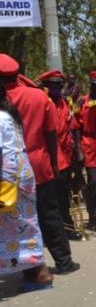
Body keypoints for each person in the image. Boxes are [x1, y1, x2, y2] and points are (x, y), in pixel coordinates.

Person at [0, 54, 79, 275]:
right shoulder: (38, 96)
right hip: (39, 164)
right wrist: (54, 162)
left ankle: (29, 267)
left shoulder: (5, 100)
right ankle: (64, 261)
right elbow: (51, 133)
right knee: (50, 214)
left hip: (9, 171)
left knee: (17, 220)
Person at [0, 80, 54, 292]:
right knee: (25, 226)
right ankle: (36, 273)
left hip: (9, 180)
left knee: (17, 227)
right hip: (22, 176)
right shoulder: (10, 117)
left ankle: (40, 273)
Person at [38, 70, 81, 241]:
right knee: (48, 201)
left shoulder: (64, 103)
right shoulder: (43, 104)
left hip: (64, 159)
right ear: (46, 87)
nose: (57, 88)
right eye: (53, 85)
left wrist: (76, 153)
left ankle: (68, 229)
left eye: (59, 85)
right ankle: (51, 234)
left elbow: (70, 128)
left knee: (64, 197)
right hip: (47, 160)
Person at [79, 71, 96, 231]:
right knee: (93, 183)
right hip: (89, 144)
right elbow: (76, 126)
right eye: (93, 85)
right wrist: (78, 149)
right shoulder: (82, 101)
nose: (95, 88)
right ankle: (94, 218)